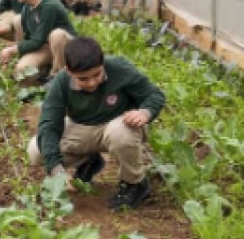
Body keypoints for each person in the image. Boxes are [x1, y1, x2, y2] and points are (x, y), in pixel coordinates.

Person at [27, 36, 166, 210]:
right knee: (36, 150)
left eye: (97, 74)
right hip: (83, 128)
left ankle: (134, 183)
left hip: (120, 125)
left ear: (103, 64)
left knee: (121, 133)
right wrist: (57, 171)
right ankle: (89, 161)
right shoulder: (61, 83)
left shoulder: (120, 69)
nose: (92, 82)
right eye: (83, 79)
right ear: (69, 71)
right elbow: (49, 124)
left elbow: (154, 95)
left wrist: (145, 112)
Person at [0, 0, 76, 80]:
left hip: (65, 45)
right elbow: (29, 38)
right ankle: (44, 68)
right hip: (44, 46)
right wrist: (14, 57)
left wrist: (11, 50)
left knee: (56, 34)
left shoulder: (49, 7)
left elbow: (38, 40)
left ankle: (57, 76)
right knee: (21, 70)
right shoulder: (27, 8)